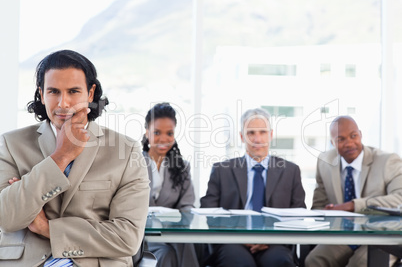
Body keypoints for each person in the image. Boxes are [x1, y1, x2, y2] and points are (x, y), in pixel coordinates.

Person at [0, 50, 150, 266]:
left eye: (73, 91)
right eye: (53, 91)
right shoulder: (11, 144)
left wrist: (48, 229)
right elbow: (6, 217)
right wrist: (60, 157)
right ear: (41, 94)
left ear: (90, 94)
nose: (63, 103)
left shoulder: (126, 151)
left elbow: (127, 237)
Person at [200, 108, 306, 267]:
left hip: (275, 242)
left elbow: (298, 214)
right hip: (233, 242)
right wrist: (240, 238)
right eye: (251, 133)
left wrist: (270, 239)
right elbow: (209, 211)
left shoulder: (290, 171)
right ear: (242, 137)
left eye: (262, 132)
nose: (257, 139)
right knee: (240, 263)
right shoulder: (222, 170)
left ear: (270, 135)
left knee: (279, 262)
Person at [305, 115, 402, 267]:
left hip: (382, 236)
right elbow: (319, 205)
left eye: (353, 136)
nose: (349, 143)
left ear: (360, 135)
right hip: (344, 234)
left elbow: (400, 199)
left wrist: (352, 205)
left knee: (359, 264)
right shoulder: (325, 161)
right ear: (332, 143)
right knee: (314, 260)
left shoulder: (388, 161)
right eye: (341, 139)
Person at [142, 102, 199, 267]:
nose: (164, 139)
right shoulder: (133, 164)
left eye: (169, 133)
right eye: (157, 132)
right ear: (147, 132)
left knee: (187, 244)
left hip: (172, 233)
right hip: (142, 236)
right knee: (166, 254)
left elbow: (187, 206)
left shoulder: (182, 167)